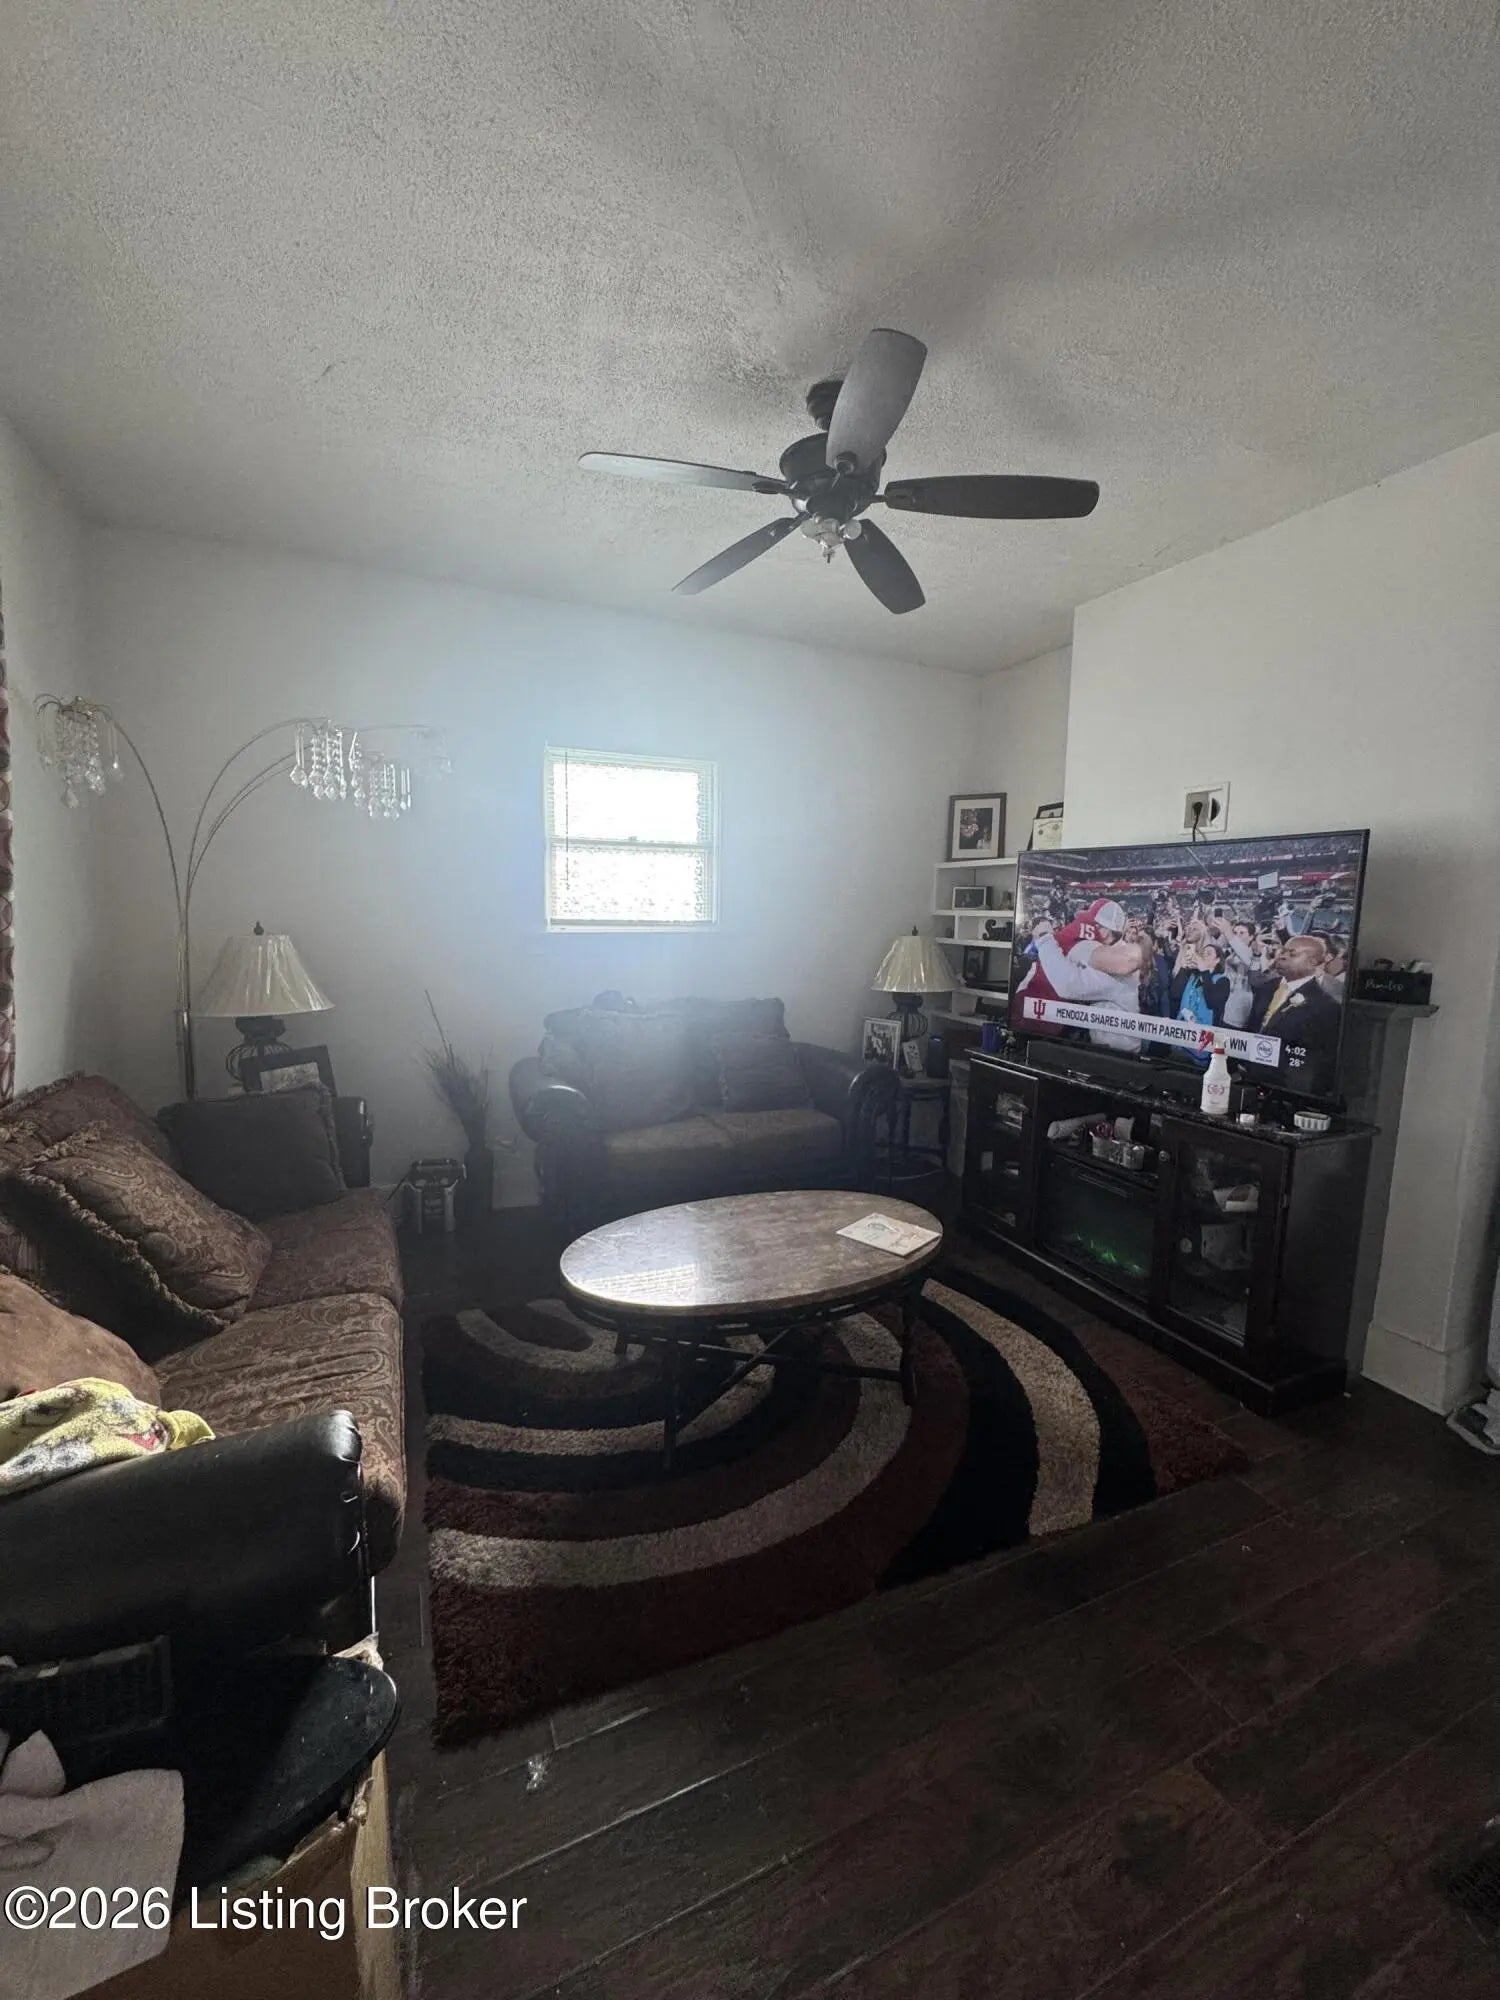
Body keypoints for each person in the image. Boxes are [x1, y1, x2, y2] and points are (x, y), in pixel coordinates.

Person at [1028, 919, 1152, 1053]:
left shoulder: (1119, 973)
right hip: (1118, 1048)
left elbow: (1068, 984)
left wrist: (1045, 939)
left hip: (1115, 1054)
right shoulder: (1124, 965)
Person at [1245, 934, 1343, 1092]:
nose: (1282, 956)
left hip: (1287, 1088)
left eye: (1292, 954)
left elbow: (1320, 1061)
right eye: (1283, 951)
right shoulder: (1266, 988)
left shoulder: (1326, 1006)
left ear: (1312, 962)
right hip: (1251, 1079)